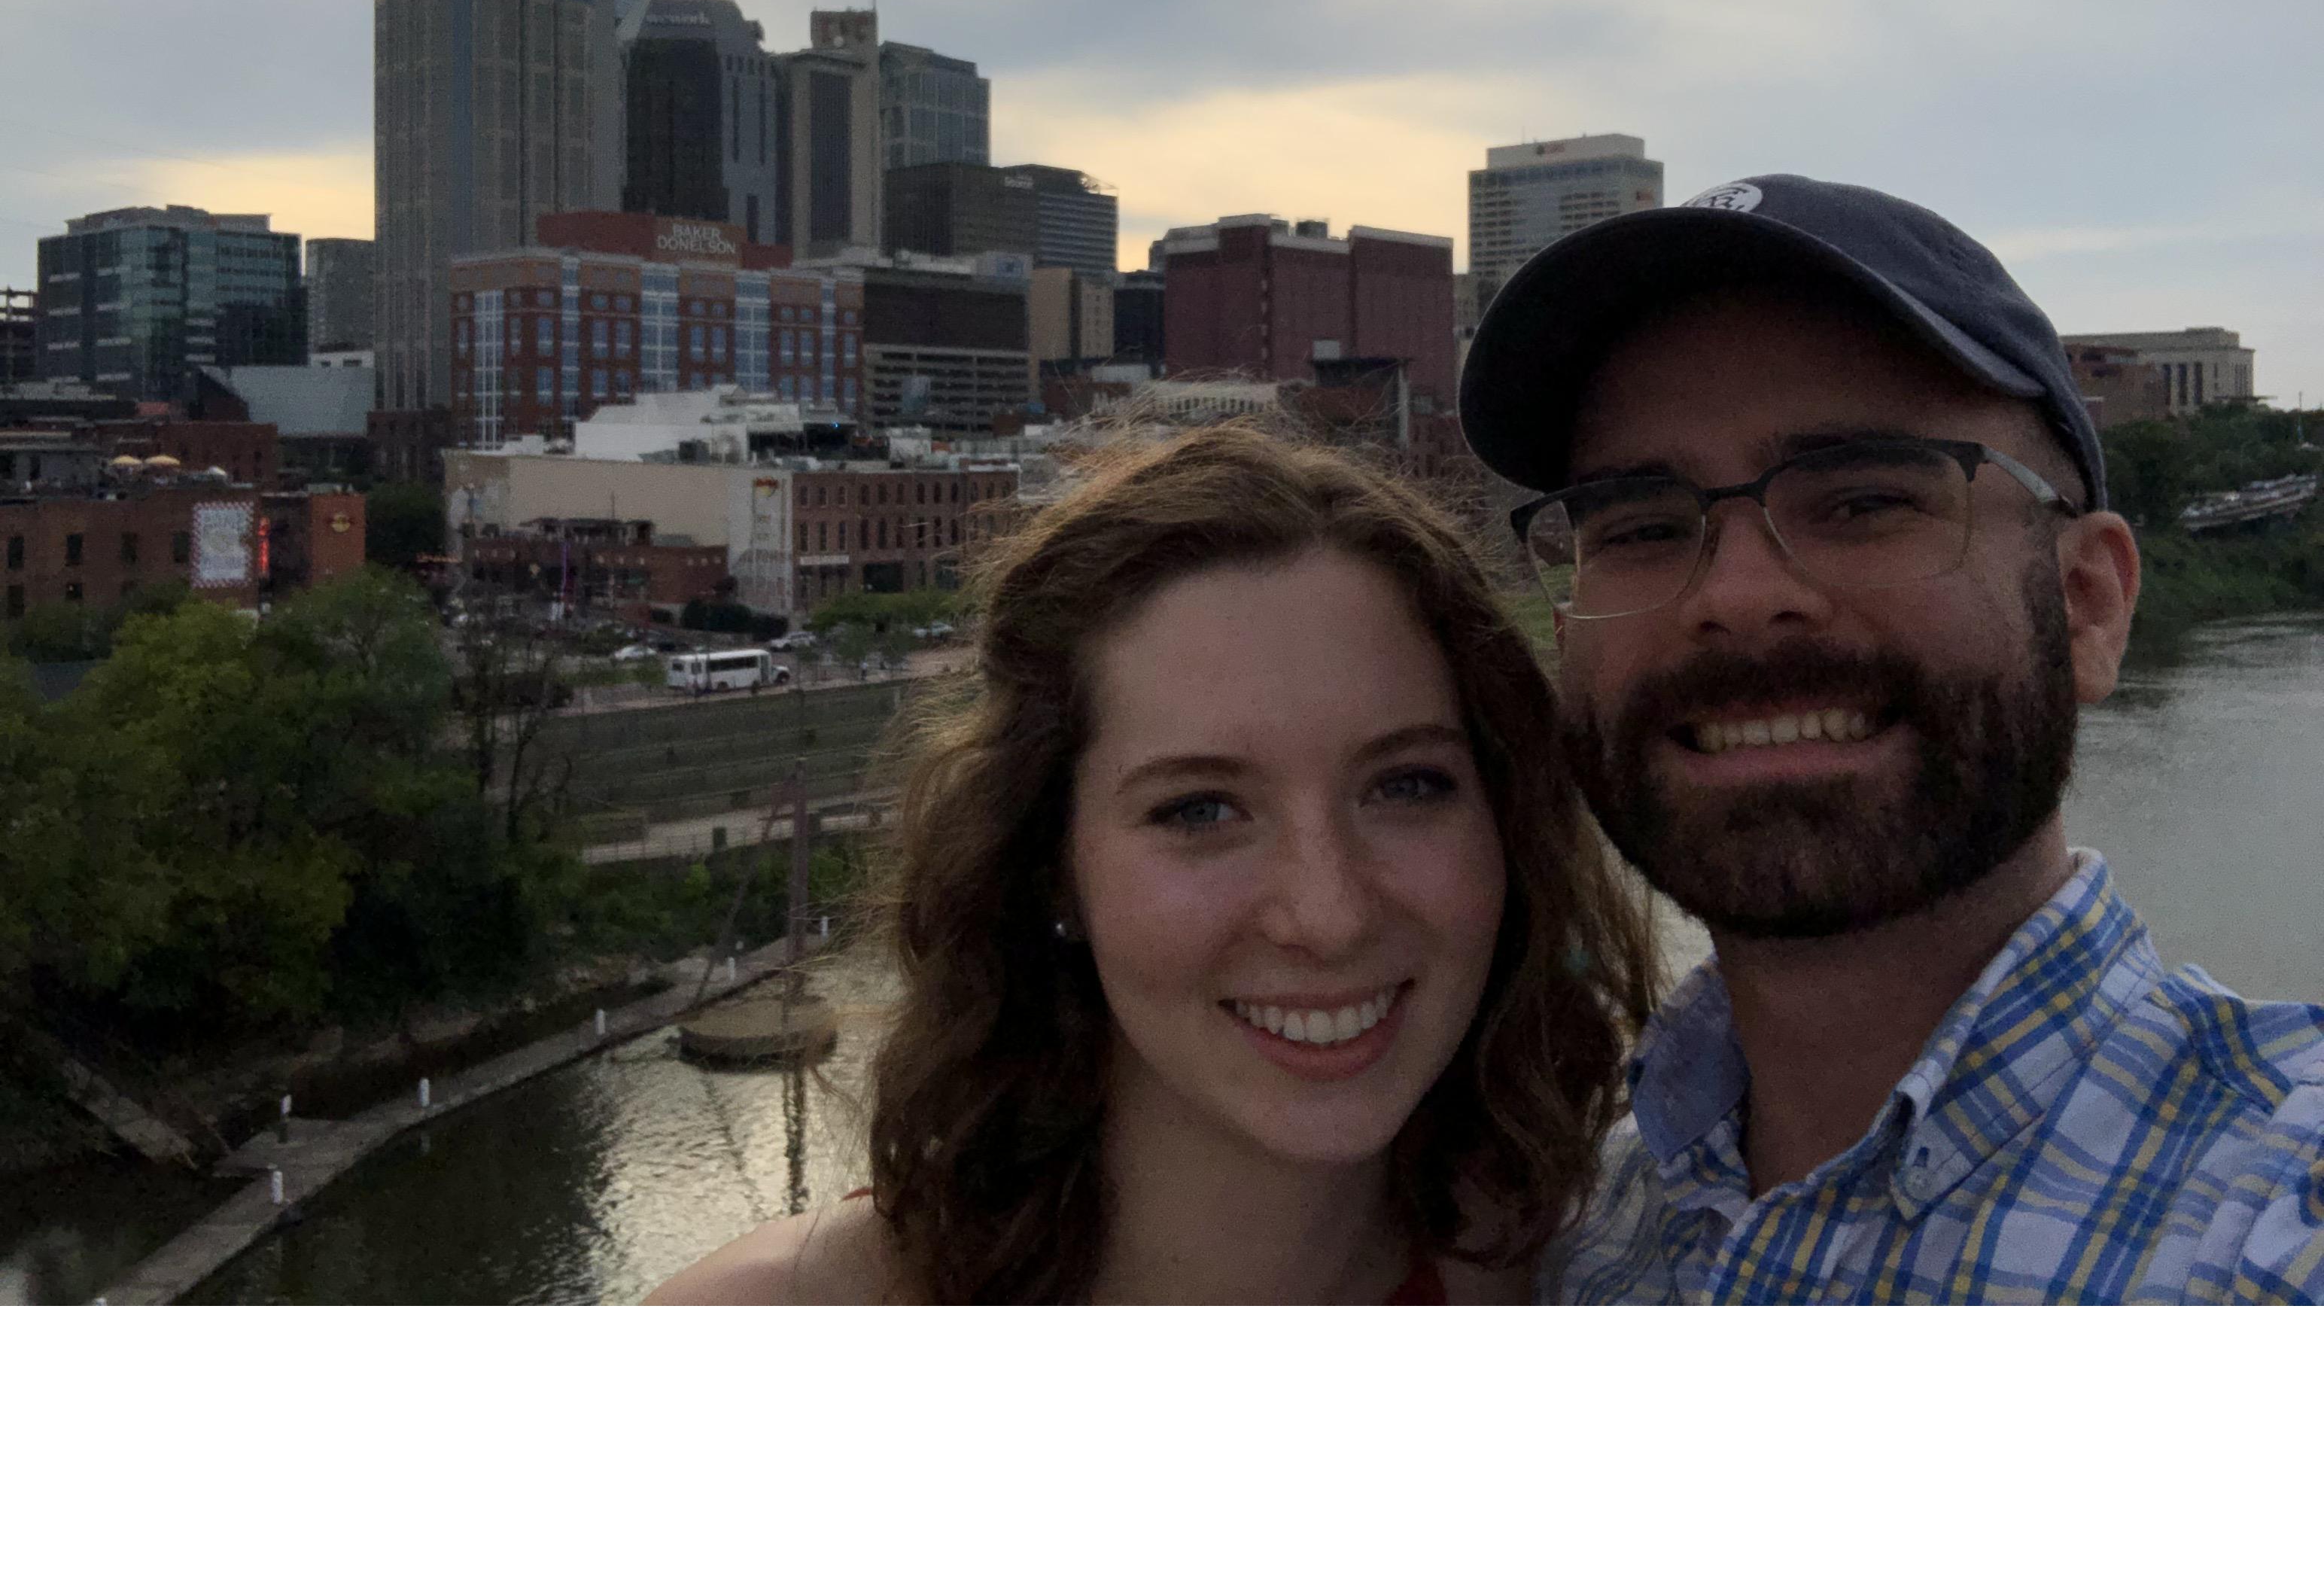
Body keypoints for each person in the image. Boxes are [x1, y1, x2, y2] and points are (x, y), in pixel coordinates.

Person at [1459, 172, 2324, 1304]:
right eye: (1645, 526)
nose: (1738, 594)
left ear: (2087, 606)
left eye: (1863, 501)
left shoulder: (2276, 1211)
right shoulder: (1572, 1241)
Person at [648, 419, 1654, 1304]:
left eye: (1407, 785)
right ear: (1050, 866)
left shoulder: (1600, 1283)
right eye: (1200, 808)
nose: (1331, 912)